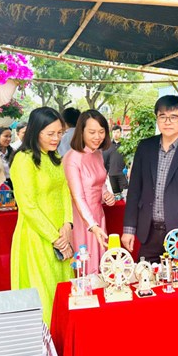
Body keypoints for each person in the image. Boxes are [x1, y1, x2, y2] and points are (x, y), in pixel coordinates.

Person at [121, 95, 178, 263]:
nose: (167, 122)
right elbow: (134, 191)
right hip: (149, 232)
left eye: (173, 117)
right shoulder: (145, 147)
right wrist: (129, 229)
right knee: (145, 274)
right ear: (157, 118)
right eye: (162, 116)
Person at [10, 107, 74, 327]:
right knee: (43, 292)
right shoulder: (23, 160)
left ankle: (63, 337)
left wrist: (67, 225)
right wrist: (56, 238)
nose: (56, 138)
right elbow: (28, 205)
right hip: (36, 237)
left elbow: (64, 191)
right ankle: (45, 342)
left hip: (60, 235)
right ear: (36, 131)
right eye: (50, 133)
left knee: (62, 289)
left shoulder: (54, 157)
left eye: (60, 133)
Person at [63, 110, 116, 274]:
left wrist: (106, 194)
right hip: (82, 219)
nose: (97, 137)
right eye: (92, 132)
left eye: (101, 132)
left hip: (98, 214)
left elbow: (100, 183)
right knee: (86, 264)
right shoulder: (72, 158)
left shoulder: (98, 154)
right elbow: (77, 196)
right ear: (81, 131)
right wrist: (92, 225)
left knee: (100, 262)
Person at [102, 124, 129, 195]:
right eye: (114, 132)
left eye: (117, 132)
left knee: (125, 194)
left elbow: (129, 159)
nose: (115, 134)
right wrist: (105, 173)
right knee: (116, 195)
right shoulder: (108, 146)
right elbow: (105, 160)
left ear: (120, 133)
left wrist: (129, 169)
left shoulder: (125, 145)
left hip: (123, 174)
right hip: (112, 175)